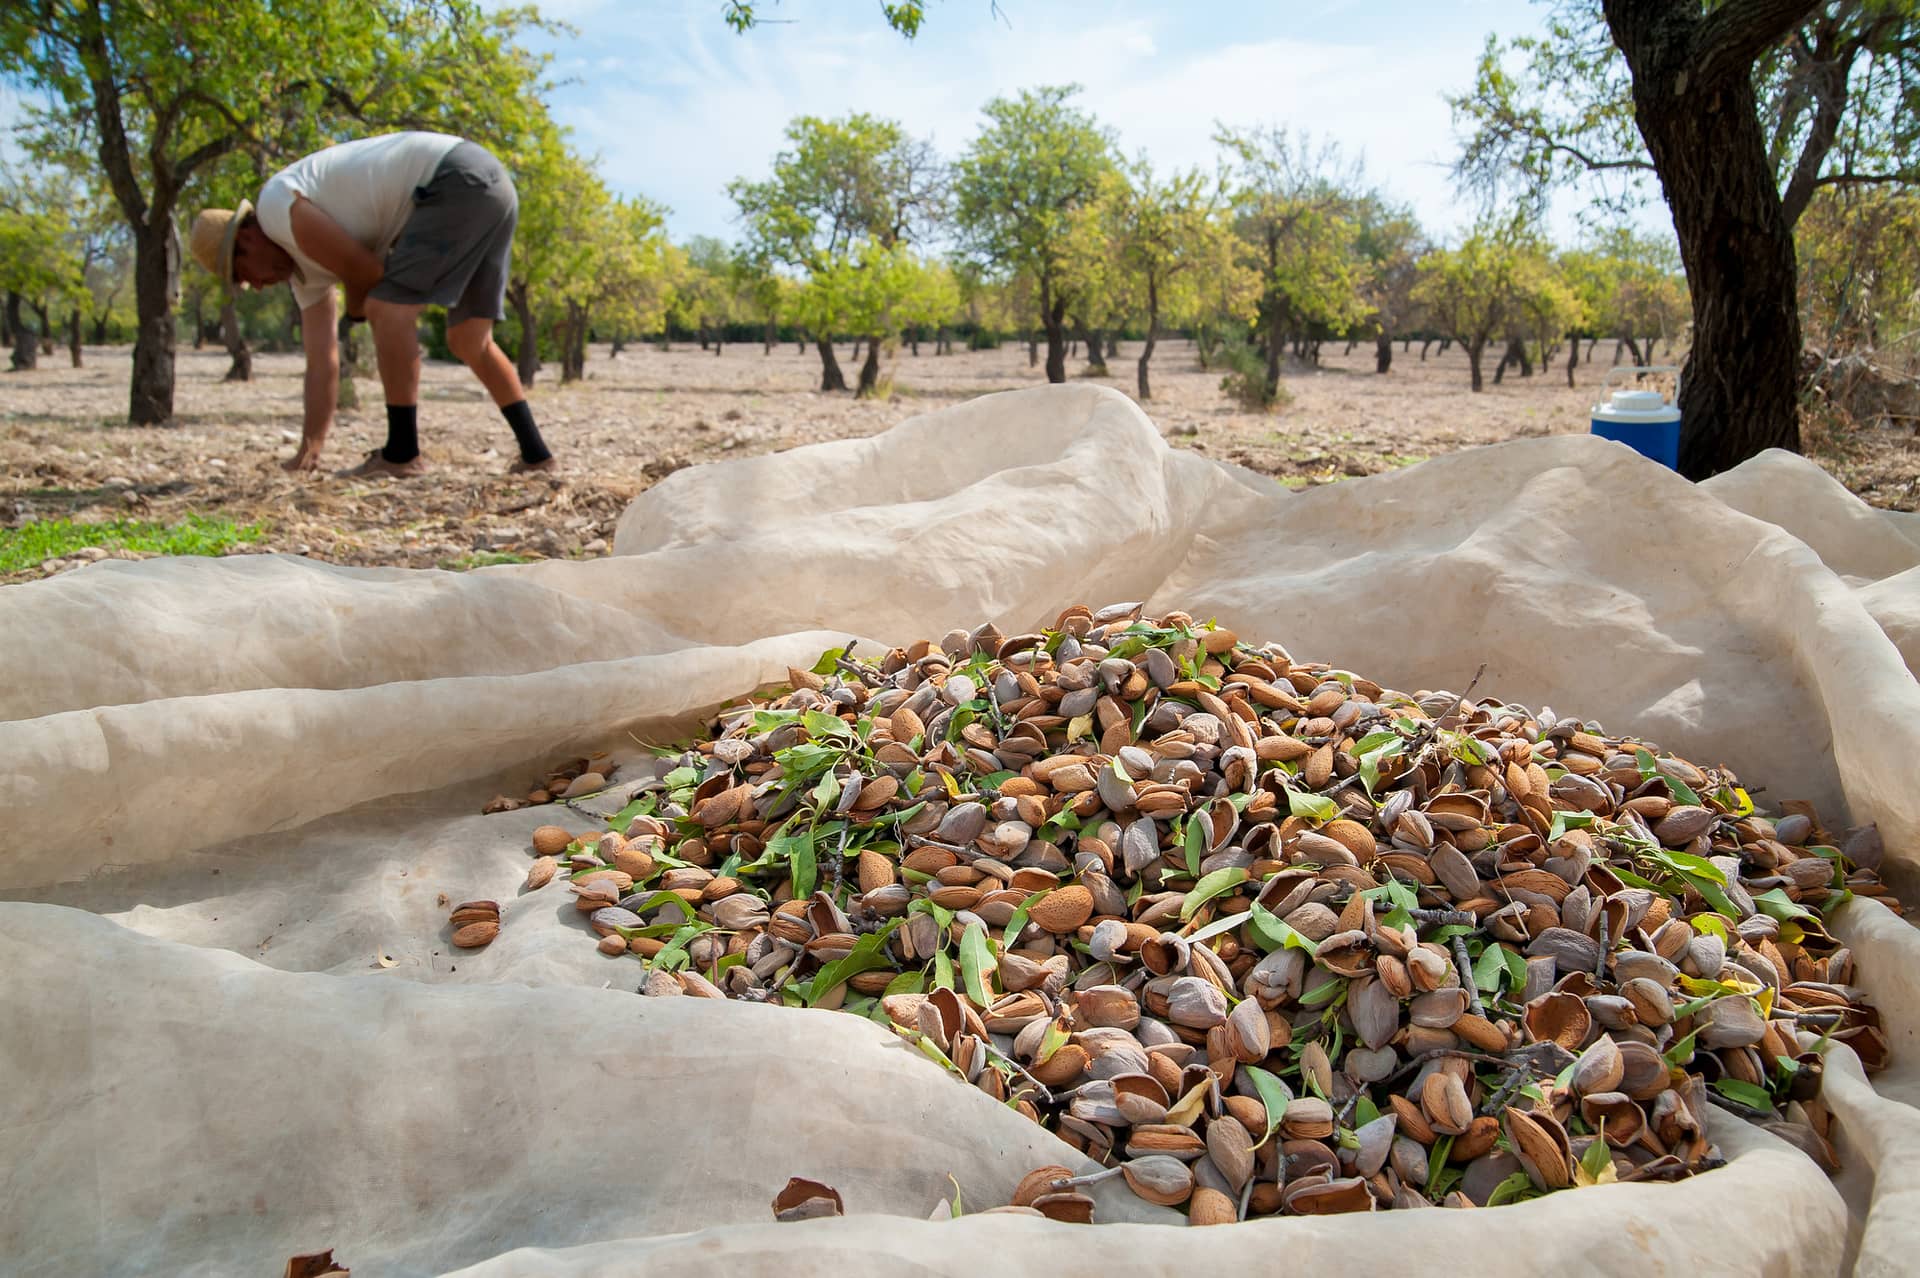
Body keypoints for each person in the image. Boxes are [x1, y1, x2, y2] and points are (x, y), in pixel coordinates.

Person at [189, 131, 555, 476]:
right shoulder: (304, 276)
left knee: (386, 309)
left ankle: (401, 454)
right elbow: (321, 362)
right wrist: (309, 448)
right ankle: (536, 455)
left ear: (248, 239)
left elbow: (366, 272)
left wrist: (356, 311)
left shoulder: (276, 208)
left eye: (240, 273)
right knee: (468, 339)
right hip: (491, 187)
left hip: (456, 179)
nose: (253, 286)